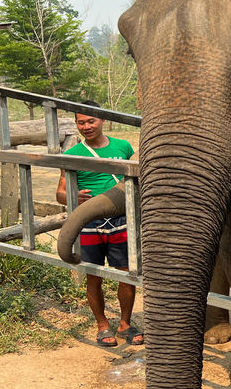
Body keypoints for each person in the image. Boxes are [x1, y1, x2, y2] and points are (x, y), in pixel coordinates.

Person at [56, 100, 143, 347]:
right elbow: (60, 194)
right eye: (81, 122)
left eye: (91, 120)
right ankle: (102, 325)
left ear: (103, 120)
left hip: (121, 220)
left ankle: (125, 323)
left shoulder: (123, 147)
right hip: (89, 222)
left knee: (126, 274)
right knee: (94, 276)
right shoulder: (72, 154)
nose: (86, 126)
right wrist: (74, 198)